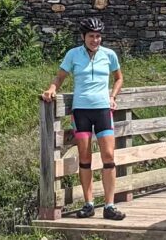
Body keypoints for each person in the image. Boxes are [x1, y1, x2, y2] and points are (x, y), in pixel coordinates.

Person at [41, 17, 126, 220]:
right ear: (83, 37)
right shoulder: (73, 55)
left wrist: (112, 97)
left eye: (98, 36)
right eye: (91, 36)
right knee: (85, 158)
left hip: (103, 110)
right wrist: (52, 89)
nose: (95, 40)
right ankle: (88, 204)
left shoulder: (109, 55)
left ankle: (109, 206)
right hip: (81, 112)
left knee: (108, 156)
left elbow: (119, 78)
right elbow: (60, 76)